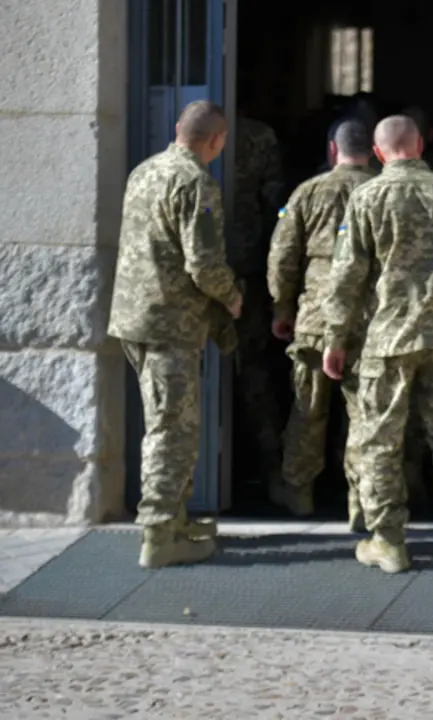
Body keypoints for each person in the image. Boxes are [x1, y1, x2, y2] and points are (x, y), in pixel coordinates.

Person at [322, 116, 433, 574]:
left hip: (388, 340)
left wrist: (334, 339)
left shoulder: (367, 197)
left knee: (379, 441)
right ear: (420, 145)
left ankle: (388, 541)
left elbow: (346, 278)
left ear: (379, 153)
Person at [108, 100, 241, 568]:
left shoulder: (144, 171)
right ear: (215, 141)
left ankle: (176, 517)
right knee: (172, 430)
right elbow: (203, 262)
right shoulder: (196, 183)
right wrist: (231, 297)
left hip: (136, 318)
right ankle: (161, 533)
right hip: (170, 323)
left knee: (172, 422)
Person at [266, 120, 378, 524]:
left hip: (315, 318)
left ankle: (300, 493)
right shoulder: (382, 192)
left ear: (333, 150)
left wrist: (282, 309)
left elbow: (282, 256)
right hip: (369, 322)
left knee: (307, 409)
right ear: (375, 151)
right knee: (365, 413)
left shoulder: (307, 192)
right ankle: (360, 501)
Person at [230, 114, 288, 500]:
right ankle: (271, 468)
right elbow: (276, 207)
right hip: (248, 270)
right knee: (253, 373)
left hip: (220, 274)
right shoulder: (259, 135)